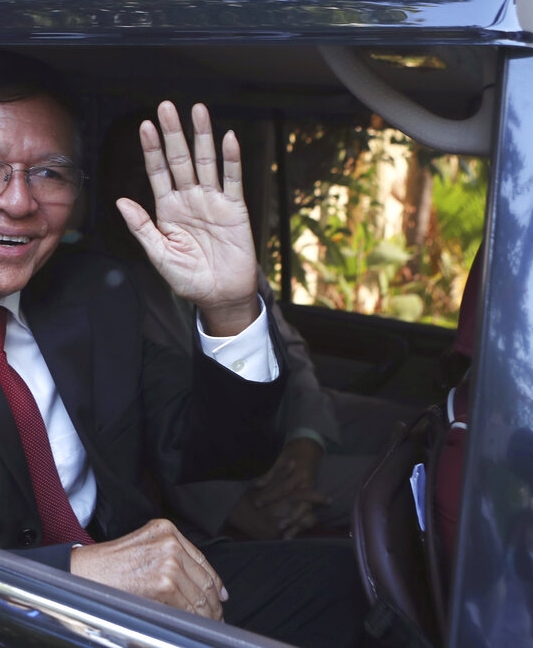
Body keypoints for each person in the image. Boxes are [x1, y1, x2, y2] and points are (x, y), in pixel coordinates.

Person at [0, 50, 365, 646]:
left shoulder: (95, 290)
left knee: (352, 580)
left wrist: (227, 308)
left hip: (136, 587)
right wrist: (73, 572)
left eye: (50, 172)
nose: (18, 202)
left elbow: (215, 456)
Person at [91, 111, 415, 542]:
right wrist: (234, 508)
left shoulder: (226, 256)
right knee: (409, 485)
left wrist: (307, 438)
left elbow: (290, 352)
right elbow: (150, 428)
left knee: (423, 427)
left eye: (165, 171)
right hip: (220, 471)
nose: (148, 187)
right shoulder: (97, 290)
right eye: (134, 173)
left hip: (293, 410)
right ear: (107, 184)